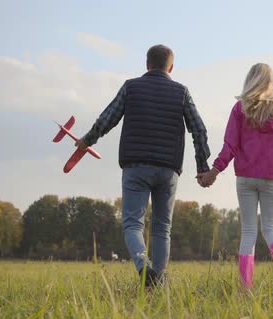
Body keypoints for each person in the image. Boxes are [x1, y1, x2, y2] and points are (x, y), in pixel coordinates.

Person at [76, 45, 211, 287]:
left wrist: (87, 141)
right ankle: (157, 282)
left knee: (132, 224)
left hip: (135, 166)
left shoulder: (131, 87)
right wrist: (202, 166)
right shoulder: (182, 92)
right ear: (171, 67)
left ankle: (143, 267)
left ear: (146, 64)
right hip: (168, 170)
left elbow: (107, 119)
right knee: (162, 228)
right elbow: (199, 129)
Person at [197, 63, 273, 289]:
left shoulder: (240, 109)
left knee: (249, 232)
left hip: (245, 177)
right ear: (272, 83)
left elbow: (230, 146)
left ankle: (246, 288)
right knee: (271, 228)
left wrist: (214, 172)